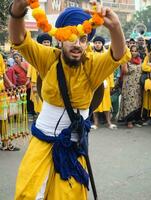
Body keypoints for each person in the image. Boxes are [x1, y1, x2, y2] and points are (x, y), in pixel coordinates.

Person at [9, 1, 130, 199]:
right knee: (28, 193)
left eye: (83, 39)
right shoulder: (47, 58)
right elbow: (19, 39)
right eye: (71, 38)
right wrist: (17, 8)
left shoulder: (92, 66)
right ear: (59, 39)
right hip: (41, 143)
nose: (77, 44)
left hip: (72, 149)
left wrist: (115, 27)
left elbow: (118, 55)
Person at [91, 36, 116, 129]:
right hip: (94, 82)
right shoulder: (90, 54)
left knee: (106, 103)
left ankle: (109, 123)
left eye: (99, 43)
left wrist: (111, 84)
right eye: (96, 43)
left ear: (102, 44)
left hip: (105, 81)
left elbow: (110, 70)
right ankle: (96, 123)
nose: (97, 44)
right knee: (94, 104)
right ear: (94, 44)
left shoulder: (107, 55)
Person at [118, 44, 142, 128]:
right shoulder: (126, 59)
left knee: (136, 102)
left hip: (137, 85)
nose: (133, 53)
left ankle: (134, 120)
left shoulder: (139, 60)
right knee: (129, 102)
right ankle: (129, 121)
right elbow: (124, 70)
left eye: (135, 51)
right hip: (128, 84)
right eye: (132, 51)